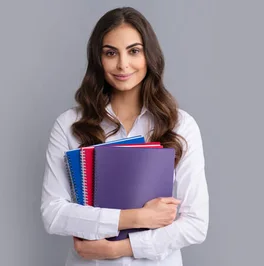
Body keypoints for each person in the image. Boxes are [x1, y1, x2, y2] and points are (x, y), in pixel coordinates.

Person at [40, 6, 209, 265]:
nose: (122, 64)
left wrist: (116, 249)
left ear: (149, 56)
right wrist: (136, 218)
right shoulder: (70, 125)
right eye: (111, 53)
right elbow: (53, 215)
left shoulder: (180, 125)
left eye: (134, 51)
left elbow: (196, 224)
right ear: (98, 58)